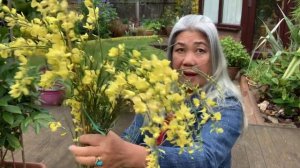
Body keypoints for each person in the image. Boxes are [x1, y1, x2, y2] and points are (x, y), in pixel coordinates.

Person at [69, 14, 245, 168]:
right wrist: (101, 160)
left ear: (214, 57)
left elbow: (205, 159)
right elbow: (129, 140)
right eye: (180, 50)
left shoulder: (226, 104)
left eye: (200, 50)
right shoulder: (158, 94)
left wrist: (131, 156)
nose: (188, 60)